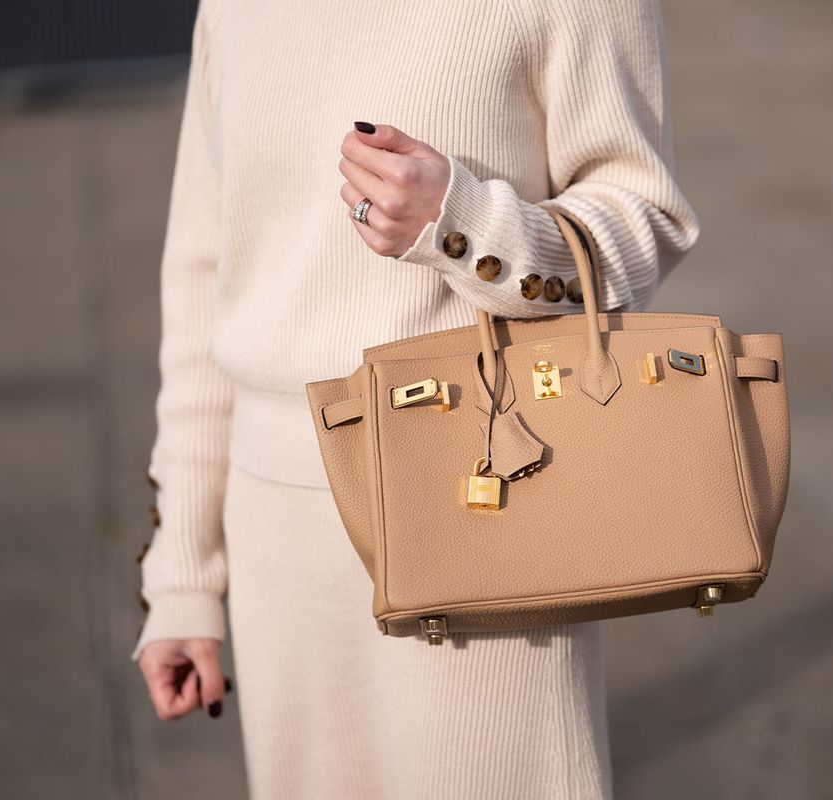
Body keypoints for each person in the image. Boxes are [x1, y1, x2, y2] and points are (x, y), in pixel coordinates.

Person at [131, 0, 700, 796]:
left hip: (480, 504)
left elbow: (649, 219)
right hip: (278, 542)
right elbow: (201, 286)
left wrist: (463, 224)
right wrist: (182, 576)